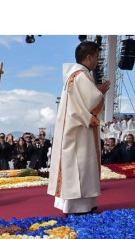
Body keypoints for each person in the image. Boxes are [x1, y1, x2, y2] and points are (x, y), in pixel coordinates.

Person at [47, 41, 110, 216]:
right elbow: (91, 102)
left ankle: (84, 204)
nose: (98, 60)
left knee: (81, 166)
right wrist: (101, 92)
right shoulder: (80, 76)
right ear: (89, 57)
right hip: (79, 129)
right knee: (80, 166)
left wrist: (96, 92)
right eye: (97, 56)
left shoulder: (76, 75)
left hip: (77, 126)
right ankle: (78, 207)